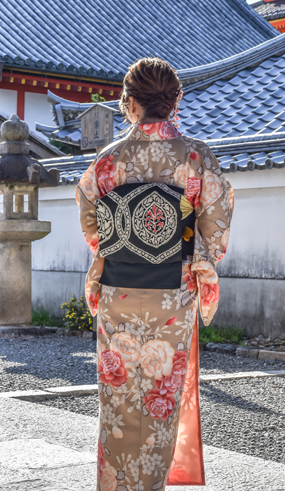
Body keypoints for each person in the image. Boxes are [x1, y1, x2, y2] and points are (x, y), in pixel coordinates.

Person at [76, 57, 234, 491]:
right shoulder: (196, 157)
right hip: (172, 294)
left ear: (129, 104)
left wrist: (119, 245)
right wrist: (195, 258)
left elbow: (92, 223)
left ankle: (115, 484)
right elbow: (215, 222)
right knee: (160, 397)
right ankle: (152, 484)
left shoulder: (108, 162)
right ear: (175, 101)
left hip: (118, 292)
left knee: (120, 396)